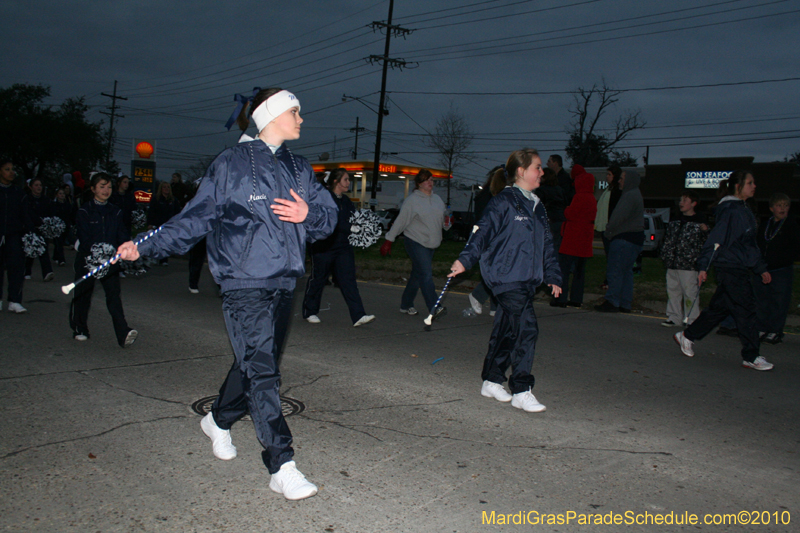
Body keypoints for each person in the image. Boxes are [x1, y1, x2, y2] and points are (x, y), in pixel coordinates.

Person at [116, 88, 337, 500]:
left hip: (285, 282)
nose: (302, 119)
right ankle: (281, 464)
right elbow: (194, 218)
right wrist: (144, 245)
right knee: (264, 371)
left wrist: (311, 214)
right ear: (271, 114)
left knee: (253, 364)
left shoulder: (300, 167)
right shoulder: (231, 164)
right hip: (243, 283)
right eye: (295, 112)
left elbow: (328, 217)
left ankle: (217, 420)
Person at [449, 148, 562, 413]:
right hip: (505, 277)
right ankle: (521, 389)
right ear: (521, 172)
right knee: (526, 329)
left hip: (526, 280)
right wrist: (465, 260)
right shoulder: (503, 202)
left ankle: (491, 379)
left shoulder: (537, 206)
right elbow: (482, 232)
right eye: (537, 167)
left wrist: (553, 274)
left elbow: (547, 245)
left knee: (507, 330)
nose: (542, 172)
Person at [673, 171, 774, 371]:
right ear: (738, 186)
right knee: (746, 309)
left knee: (719, 309)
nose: (754, 186)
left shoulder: (743, 209)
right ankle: (751, 355)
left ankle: (687, 335)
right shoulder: (731, 210)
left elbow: (748, 245)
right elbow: (715, 239)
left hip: (737, 266)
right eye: (750, 183)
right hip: (729, 268)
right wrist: (703, 266)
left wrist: (760, 268)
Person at [69, 172, 137, 347]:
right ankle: (80, 328)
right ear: (93, 189)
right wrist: (96, 254)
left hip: (110, 260)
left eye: (109, 187)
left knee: (114, 296)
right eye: (102, 186)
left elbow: (122, 233)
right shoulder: (84, 210)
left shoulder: (116, 211)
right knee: (83, 294)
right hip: (88, 259)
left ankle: (123, 333)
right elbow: (84, 238)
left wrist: (127, 247)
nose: (106, 190)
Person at [302, 168, 375, 327]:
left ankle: (358, 315)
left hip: (343, 246)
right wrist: (349, 227)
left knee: (348, 280)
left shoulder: (346, 201)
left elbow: (352, 218)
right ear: (336, 182)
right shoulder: (324, 198)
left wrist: (362, 227)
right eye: (346, 180)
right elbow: (329, 221)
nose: (348, 183)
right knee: (319, 278)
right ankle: (310, 311)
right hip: (324, 246)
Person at [380, 169, 449, 317]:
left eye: (431, 179)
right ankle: (434, 307)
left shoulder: (437, 199)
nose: (430, 182)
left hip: (432, 243)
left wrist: (447, 223)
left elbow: (443, 220)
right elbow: (401, 221)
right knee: (425, 274)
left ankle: (406, 305)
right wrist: (388, 240)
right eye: (426, 180)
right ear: (419, 184)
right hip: (415, 241)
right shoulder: (412, 200)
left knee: (417, 276)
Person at [595, 170, 644, 313]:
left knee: (615, 270)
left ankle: (612, 301)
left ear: (629, 180)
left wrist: (608, 231)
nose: (619, 181)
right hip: (633, 239)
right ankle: (625, 303)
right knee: (626, 271)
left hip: (624, 238)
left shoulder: (629, 196)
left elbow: (618, 217)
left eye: (622, 178)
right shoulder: (635, 194)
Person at [755, 193, 799, 344]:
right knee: (762, 300)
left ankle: (775, 330)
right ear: (772, 208)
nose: (783, 209)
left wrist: (783, 260)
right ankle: (761, 327)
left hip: (781, 269)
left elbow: (793, 248)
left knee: (779, 300)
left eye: (786, 206)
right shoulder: (765, 225)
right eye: (779, 205)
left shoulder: (791, 225)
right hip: (764, 269)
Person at [659, 191, 709, 327]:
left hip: (688, 264)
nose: (681, 203)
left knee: (689, 292)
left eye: (685, 200)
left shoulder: (700, 222)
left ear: (693, 204)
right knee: (673, 290)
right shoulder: (675, 220)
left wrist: (705, 231)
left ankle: (691, 319)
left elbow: (706, 243)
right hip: (672, 262)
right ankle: (674, 317)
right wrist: (666, 254)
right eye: (681, 200)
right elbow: (668, 239)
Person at [552, 169, 597, 308]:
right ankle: (577, 299)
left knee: (564, 270)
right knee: (579, 272)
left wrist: (566, 209)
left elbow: (570, 214)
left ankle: (561, 298)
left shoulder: (579, 197)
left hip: (572, 239)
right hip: (584, 239)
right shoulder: (592, 198)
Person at [467, 168, 503, 316]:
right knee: (497, 272)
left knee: (498, 271)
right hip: (489, 239)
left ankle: (495, 306)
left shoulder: (494, 196)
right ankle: (479, 295)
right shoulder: (489, 197)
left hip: (493, 238)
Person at [0, 159, 30, 313]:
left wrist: (27, 233)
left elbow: (25, 215)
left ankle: (14, 300)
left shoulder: (19, 193)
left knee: (16, 267)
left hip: (14, 235)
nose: (11, 172)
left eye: (12, 169)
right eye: (7, 169)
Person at [594, 166, 622, 292]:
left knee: (612, 257)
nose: (607, 177)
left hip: (610, 228)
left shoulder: (617, 192)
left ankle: (611, 282)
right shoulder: (608, 189)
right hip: (604, 227)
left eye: (609, 174)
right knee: (609, 256)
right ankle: (608, 280)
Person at [23, 177, 54, 282]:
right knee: (30, 251)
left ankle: (47, 272)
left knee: (43, 250)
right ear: (31, 187)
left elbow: (50, 213)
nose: (38, 187)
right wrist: (31, 226)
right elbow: (26, 214)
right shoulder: (26, 199)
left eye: (40, 185)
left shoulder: (46, 200)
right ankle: (26, 271)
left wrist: (48, 224)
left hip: (42, 229)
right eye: (36, 185)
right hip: (30, 228)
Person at [147, 181, 180, 265]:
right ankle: (154, 257)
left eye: (168, 187)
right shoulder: (156, 199)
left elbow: (177, 212)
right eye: (164, 187)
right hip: (157, 224)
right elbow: (151, 211)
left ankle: (164, 260)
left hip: (168, 225)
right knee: (156, 242)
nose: (166, 189)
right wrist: (150, 223)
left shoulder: (173, 200)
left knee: (166, 243)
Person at [536, 167, 566, 257]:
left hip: (547, 220)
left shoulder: (541, 190)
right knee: (557, 245)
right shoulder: (560, 190)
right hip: (560, 220)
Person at [51, 186, 73, 267]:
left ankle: (55, 256)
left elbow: (70, 214)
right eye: (60, 194)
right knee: (59, 242)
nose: (62, 195)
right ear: (56, 195)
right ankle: (61, 259)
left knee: (60, 242)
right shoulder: (54, 205)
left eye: (63, 193)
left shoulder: (67, 205)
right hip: (57, 226)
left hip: (66, 225)